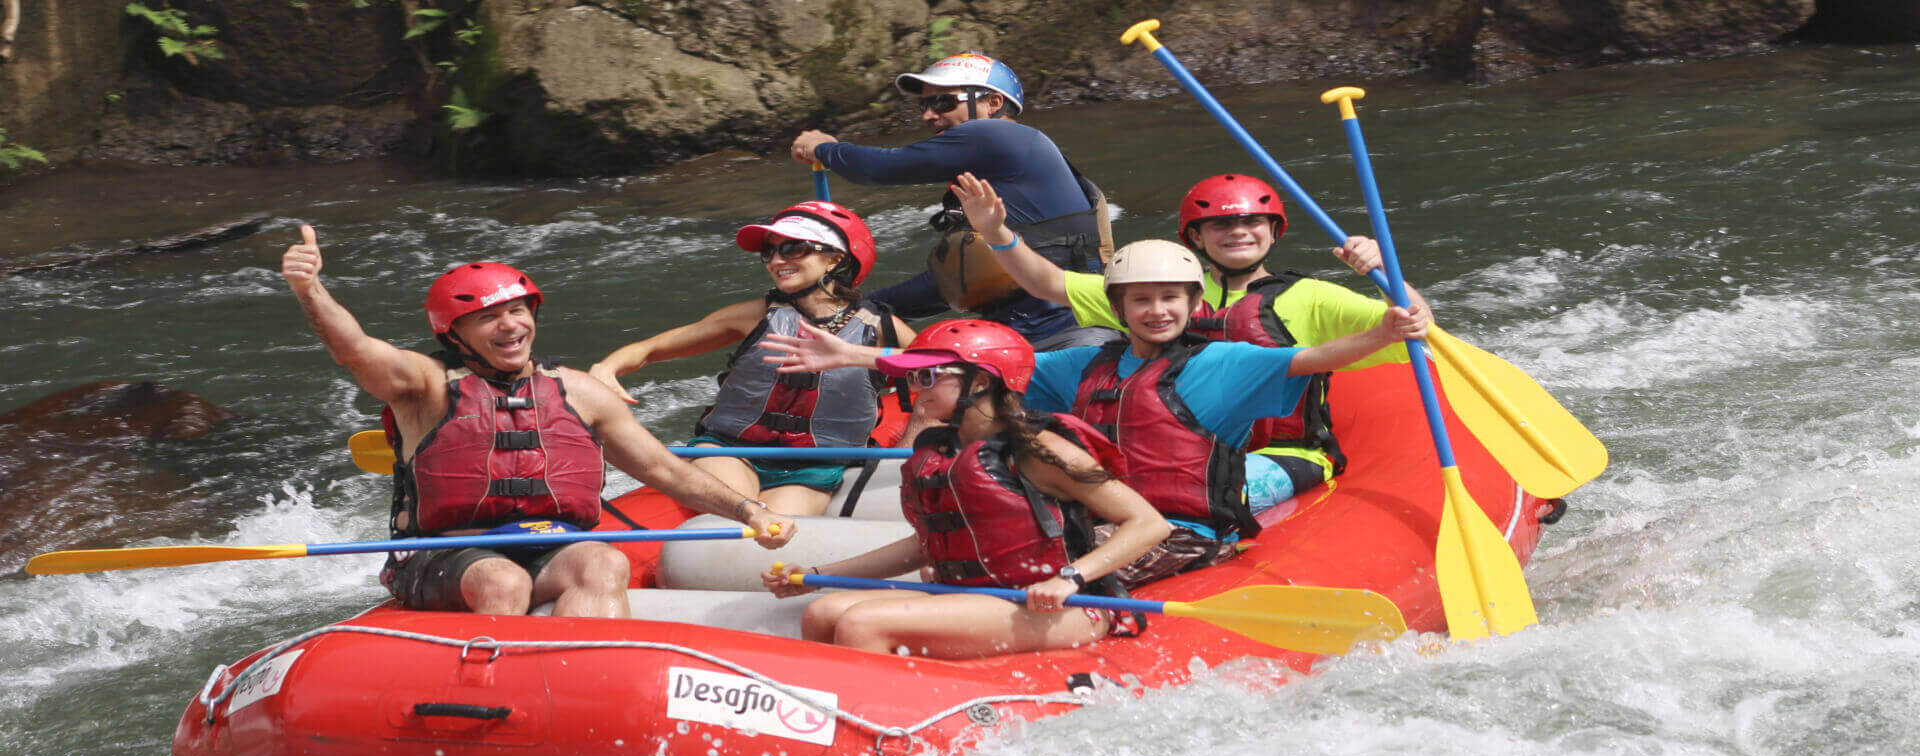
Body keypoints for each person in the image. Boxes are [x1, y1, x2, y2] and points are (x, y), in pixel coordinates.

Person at [761, 239, 1427, 580]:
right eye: (1141, 300)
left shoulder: (1227, 364)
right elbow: (978, 369)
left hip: (1183, 532)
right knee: (979, 554)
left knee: (1037, 568)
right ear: (1118, 307)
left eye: (1172, 298)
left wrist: (1387, 331)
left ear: (1194, 305)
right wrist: (858, 359)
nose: (1158, 310)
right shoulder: (1088, 365)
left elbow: (1315, 360)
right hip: (1097, 523)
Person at [280, 225, 793, 619]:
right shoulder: (424, 385)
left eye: (520, 311)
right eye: (488, 317)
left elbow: (664, 470)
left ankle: (579, 686)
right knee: (503, 582)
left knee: (603, 563)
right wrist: (310, 290)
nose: (510, 325)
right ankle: (490, 694)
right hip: (445, 554)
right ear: (454, 334)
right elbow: (354, 349)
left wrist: (748, 511)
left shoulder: (579, 391)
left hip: (551, 542)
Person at [951, 171, 1432, 504]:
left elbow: (1417, 326)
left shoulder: (1312, 297)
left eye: (1251, 222)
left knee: (1194, 492)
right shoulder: (1162, 289)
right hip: (1167, 450)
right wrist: (996, 232)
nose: (1237, 232)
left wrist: (1385, 269)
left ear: (1273, 231)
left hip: (1278, 454)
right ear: (1195, 238)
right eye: (1220, 224)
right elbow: (1048, 284)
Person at [760, 319, 1170, 657]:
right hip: (971, 595)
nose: (919, 388)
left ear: (980, 383)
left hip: (1060, 605)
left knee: (861, 623)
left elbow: (1147, 523)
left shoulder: (1037, 448)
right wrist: (819, 576)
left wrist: (1071, 577)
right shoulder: (946, 449)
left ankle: (873, 736)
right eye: (916, 376)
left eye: (931, 376)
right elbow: (928, 545)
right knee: (822, 612)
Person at [587, 202, 917, 516]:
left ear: (834, 260)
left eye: (792, 248)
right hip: (731, 450)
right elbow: (649, 350)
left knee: (777, 532)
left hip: (815, 466)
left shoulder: (881, 327)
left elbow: (952, 368)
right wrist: (607, 366)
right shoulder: (753, 316)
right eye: (769, 252)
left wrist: (854, 354)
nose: (776, 260)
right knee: (740, 519)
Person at [788, 53, 1115, 351]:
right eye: (924, 106)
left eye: (944, 102)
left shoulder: (998, 135)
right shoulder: (998, 173)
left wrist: (824, 148)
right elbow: (961, 278)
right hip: (1030, 332)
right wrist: (868, 307)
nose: (929, 115)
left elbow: (880, 167)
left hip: (1067, 337)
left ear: (993, 103)